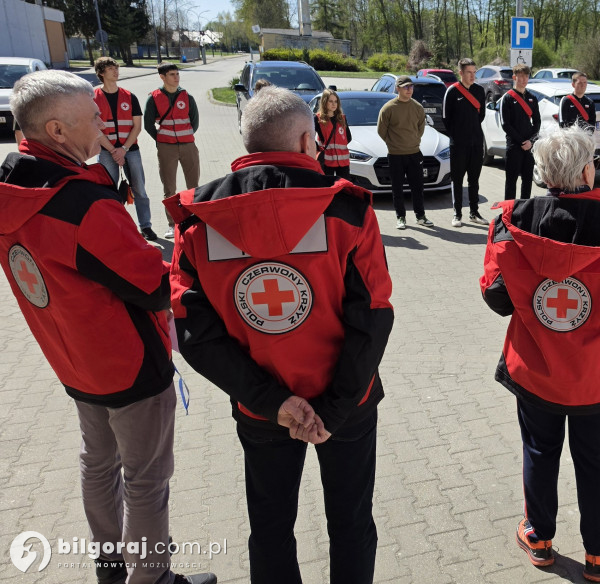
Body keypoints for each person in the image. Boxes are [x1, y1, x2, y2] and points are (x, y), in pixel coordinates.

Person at [166, 87, 394, 584]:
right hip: (348, 404)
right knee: (351, 523)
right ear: (307, 140)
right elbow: (373, 317)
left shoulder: (199, 221)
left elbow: (192, 331)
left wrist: (273, 402)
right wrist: (332, 409)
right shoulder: (346, 209)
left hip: (262, 406)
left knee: (269, 528)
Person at [0, 70, 215, 584]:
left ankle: (112, 565)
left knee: (97, 463)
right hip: (130, 364)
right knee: (145, 480)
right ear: (56, 131)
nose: (104, 124)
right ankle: (152, 578)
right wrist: (187, 247)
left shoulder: (12, 187)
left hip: (73, 360)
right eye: (93, 116)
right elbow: (153, 287)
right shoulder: (81, 205)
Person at [480, 125, 600, 582]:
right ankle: (598, 552)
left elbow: (497, 297)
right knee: (597, 460)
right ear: (588, 170)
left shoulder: (507, 224)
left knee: (540, 452)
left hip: (535, 370)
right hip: (598, 375)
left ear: (542, 173)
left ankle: (539, 538)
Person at [92, 57, 158, 241]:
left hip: (131, 150)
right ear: (101, 73)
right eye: (111, 68)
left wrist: (124, 149)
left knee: (140, 189)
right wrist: (114, 150)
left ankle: (146, 226)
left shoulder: (129, 96)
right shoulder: (93, 98)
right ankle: (116, 229)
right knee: (109, 191)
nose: (116, 71)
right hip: (106, 151)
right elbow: (93, 128)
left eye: (116, 67)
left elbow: (137, 126)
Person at [144, 62, 200, 239]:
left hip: (188, 145)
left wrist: (184, 137)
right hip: (166, 147)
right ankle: (172, 224)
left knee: (194, 185)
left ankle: (194, 219)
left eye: (177, 74)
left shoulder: (187, 96)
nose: (176, 77)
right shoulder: (153, 98)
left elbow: (195, 122)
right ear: (162, 77)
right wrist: (162, 140)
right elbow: (148, 124)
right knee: (169, 187)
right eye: (172, 74)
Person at [378, 75, 431, 229]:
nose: (409, 90)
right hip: (395, 155)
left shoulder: (418, 108)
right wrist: (394, 144)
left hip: (414, 153)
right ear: (398, 88)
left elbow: (420, 129)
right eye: (405, 87)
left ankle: (420, 216)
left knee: (417, 187)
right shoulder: (388, 108)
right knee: (397, 188)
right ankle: (400, 217)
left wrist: (412, 142)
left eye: (411, 86)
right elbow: (381, 130)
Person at [442, 57, 488, 226]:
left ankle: (474, 212)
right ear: (460, 73)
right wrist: (459, 136)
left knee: (474, 180)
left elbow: (480, 115)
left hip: (476, 143)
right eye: (469, 72)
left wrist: (472, 132)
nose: (472, 76)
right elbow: (446, 119)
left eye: (474, 72)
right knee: (458, 180)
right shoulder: (452, 92)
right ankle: (457, 214)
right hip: (458, 145)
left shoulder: (479, 91)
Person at [500, 64, 541, 200]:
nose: (524, 79)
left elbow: (537, 122)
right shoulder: (507, 98)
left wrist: (530, 141)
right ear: (514, 77)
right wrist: (521, 141)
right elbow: (506, 124)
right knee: (511, 182)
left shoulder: (532, 98)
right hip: (514, 146)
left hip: (529, 146)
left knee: (527, 181)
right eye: (521, 76)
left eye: (526, 76)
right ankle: (509, 212)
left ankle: (525, 211)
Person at [315, 88, 352, 178]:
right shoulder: (318, 119)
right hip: (327, 161)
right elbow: (310, 137)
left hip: (343, 161)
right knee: (328, 187)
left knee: (344, 189)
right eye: (330, 101)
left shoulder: (342, 118)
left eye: (336, 101)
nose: (334, 104)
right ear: (324, 102)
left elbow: (348, 137)